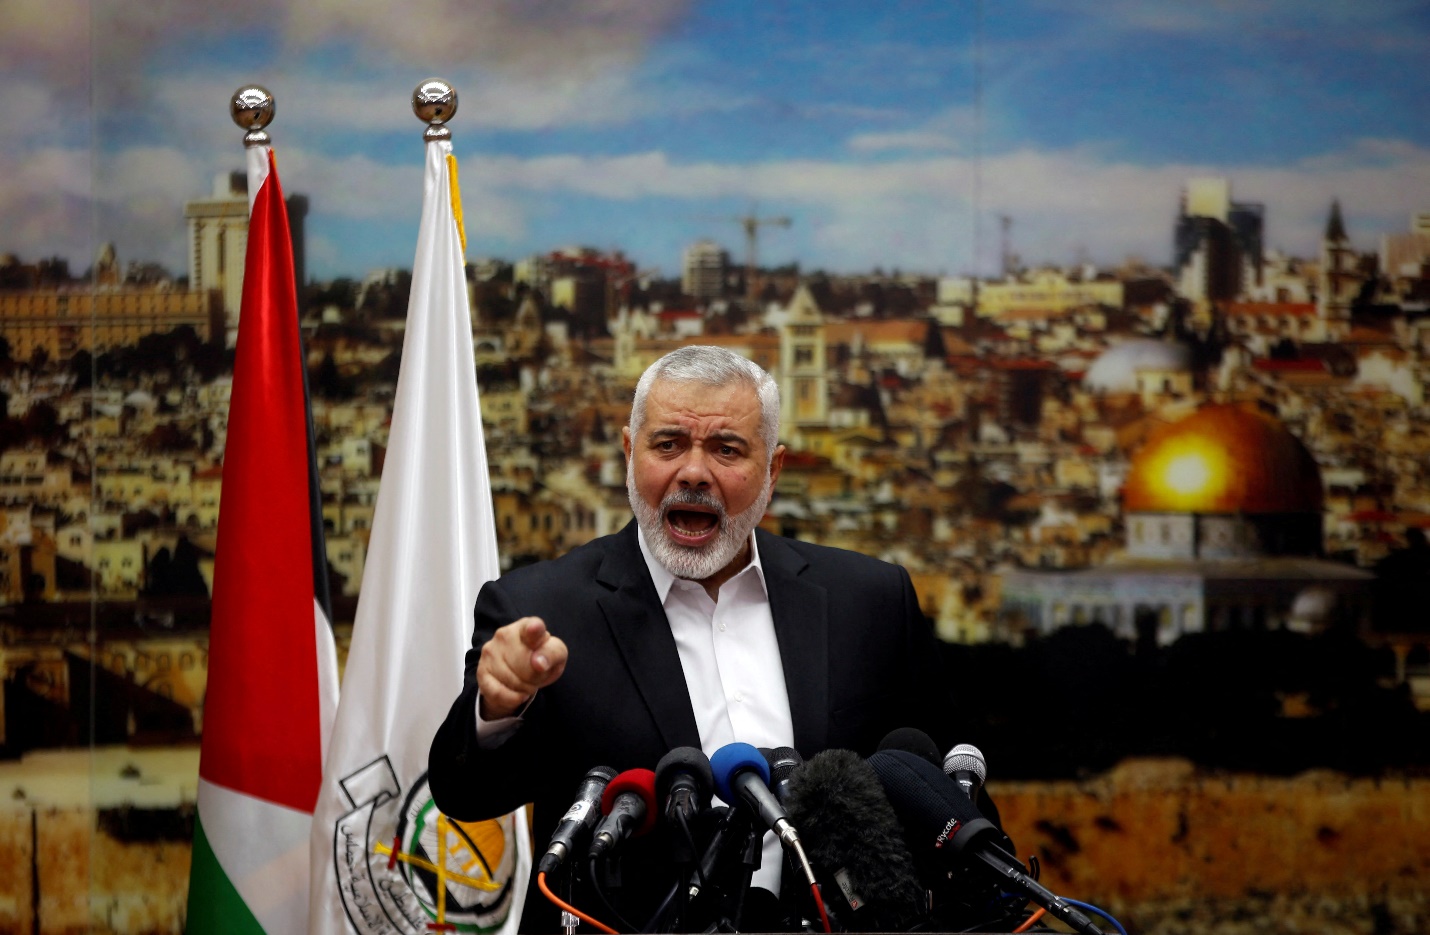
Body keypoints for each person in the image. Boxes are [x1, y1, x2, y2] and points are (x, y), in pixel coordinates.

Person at [428, 345, 958, 932]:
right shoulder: (542, 609)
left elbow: (941, 795)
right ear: (631, 454)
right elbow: (465, 794)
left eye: (727, 449)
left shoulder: (870, 600)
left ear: (773, 470)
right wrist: (498, 707)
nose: (694, 472)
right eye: (668, 444)